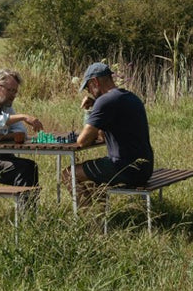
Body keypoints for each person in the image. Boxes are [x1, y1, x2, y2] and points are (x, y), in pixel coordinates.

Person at [62, 62, 154, 208]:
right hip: (144, 169)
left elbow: (82, 141)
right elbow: (103, 136)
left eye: (88, 88)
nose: (89, 92)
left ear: (95, 82)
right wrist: (97, 106)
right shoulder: (131, 97)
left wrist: (92, 110)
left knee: (68, 173)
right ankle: (101, 215)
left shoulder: (105, 101)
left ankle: (89, 217)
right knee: (93, 175)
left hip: (124, 168)